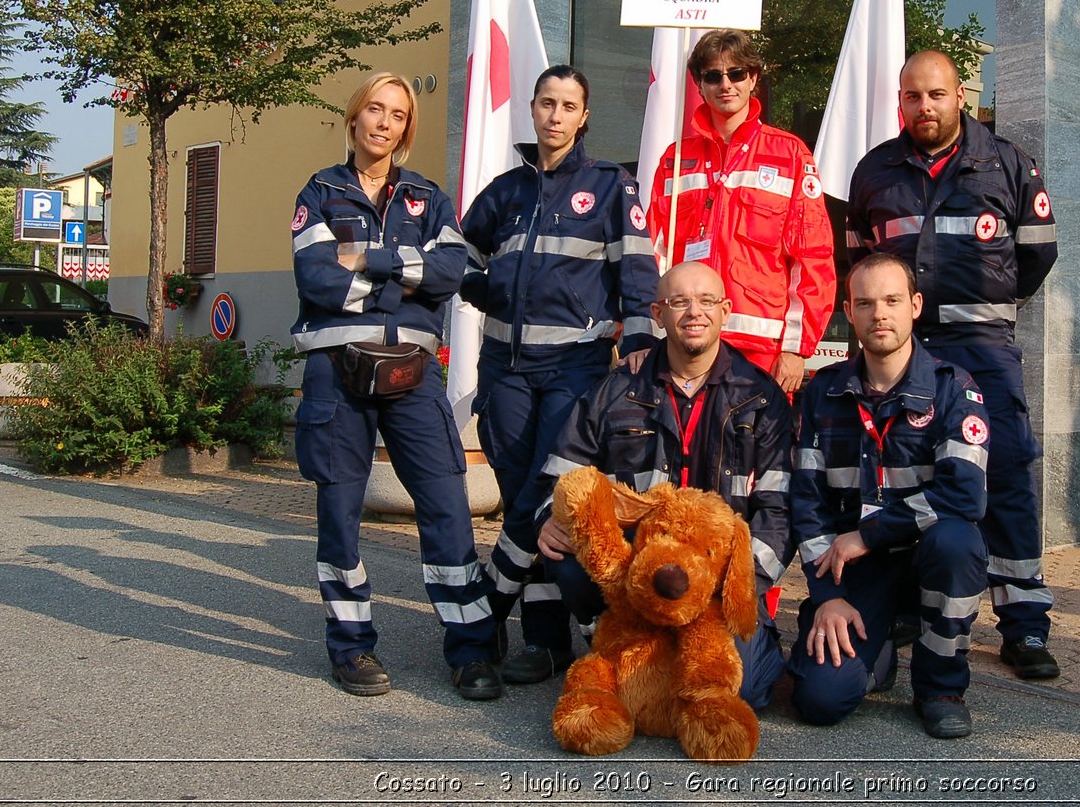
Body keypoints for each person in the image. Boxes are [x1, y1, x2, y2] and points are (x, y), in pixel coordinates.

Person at [846, 49, 1061, 680]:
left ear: (959, 95)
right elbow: (858, 259)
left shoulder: (1008, 164)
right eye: (912, 96)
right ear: (900, 101)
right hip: (906, 351)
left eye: (936, 95)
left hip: (983, 347)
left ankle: (1023, 623)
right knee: (902, 472)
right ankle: (915, 603)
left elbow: (1036, 256)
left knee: (1008, 472)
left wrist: (983, 304)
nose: (925, 107)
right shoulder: (875, 171)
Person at [289, 71, 500, 701]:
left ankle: (468, 649)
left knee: (446, 508)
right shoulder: (319, 192)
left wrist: (373, 263)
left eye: (398, 115)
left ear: (407, 129)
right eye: (374, 110)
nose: (384, 122)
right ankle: (352, 648)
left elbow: (450, 273)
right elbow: (318, 280)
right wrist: (406, 279)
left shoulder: (429, 199)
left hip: (413, 374)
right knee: (339, 515)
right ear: (353, 119)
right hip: (337, 375)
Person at [460, 65, 660, 685]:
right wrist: (483, 291)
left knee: (543, 492)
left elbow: (636, 263)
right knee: (525, 488)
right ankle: (545, 644)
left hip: (573, 366)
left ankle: (487, 606)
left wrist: (641, 336)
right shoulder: (504, 190)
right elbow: (458, 250)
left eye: (568, 105)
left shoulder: (609, 186)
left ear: (584, 116)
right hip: (504, 368)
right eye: (546, 102)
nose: (554, 115)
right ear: (532, 108)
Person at [531, 261, 794, 708]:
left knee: (742, 692)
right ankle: (614, 637)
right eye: (679, 302)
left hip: (716, 586)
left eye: (707, 301)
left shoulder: (761, 398)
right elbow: (560, 472)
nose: (695, 312)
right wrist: (550, 517)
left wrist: (718, 587)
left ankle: (673, 656)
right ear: (657, 313)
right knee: (570, 555)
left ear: (726, 311)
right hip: (634, 580)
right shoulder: (614, 391)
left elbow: (781, 511)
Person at [787, 253, 990, 738]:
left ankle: (940, 688)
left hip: (925, 553)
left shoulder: (953, 389)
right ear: (849, 311)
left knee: (957, 543)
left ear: (915, 306)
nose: (880, 314)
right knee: (820, 699)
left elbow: (964, 495)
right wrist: (828, 596)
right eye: (866, 303)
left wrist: (869, 534)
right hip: (858, 570)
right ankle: (877, 652)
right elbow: (806, 502)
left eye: (892, 300)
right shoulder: (823, 393)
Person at [647, 29, 836, 392]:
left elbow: (813, 259)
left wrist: (797, 349)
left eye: (736, 73)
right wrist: (652, 333)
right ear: (699, 85)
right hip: (688, 345)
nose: (725, 84)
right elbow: (653, 253)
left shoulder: (791, 156)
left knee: (757, 449)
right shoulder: (675, 159)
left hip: (762, 354)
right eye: (712, 76)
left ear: (753, 78)